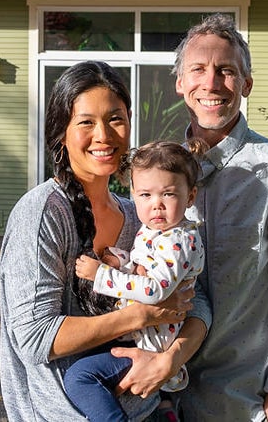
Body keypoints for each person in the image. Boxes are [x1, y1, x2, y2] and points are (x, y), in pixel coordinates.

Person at [0, 61, 199, 422]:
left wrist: (171, 359)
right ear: (61, 130)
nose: (104, 135)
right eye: (86, 121)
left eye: (115, 118)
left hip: (149, 409)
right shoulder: (43, 215)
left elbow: (197, 303)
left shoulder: (142, 214)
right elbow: (34, 339)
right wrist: (140, 314)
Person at [171, 13, 268, 421]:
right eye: (199, 70)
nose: (211, 83)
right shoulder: (160, 173)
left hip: (244, 406)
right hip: (164, 404)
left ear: (246, 85)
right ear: (180, 84)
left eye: (226, 71)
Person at [63, 140, 206, 422]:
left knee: (80, 379)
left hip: (150, 344)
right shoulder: (157, 231)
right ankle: (165, 409)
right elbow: (148, 267)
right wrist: (123, 261)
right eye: (145, 195)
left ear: (190, 197)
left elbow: (154, 289)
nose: (157, 205)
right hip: (141, 334)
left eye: (168, 193)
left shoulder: (179, 239)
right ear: (133, 195)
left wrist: (101, 274)